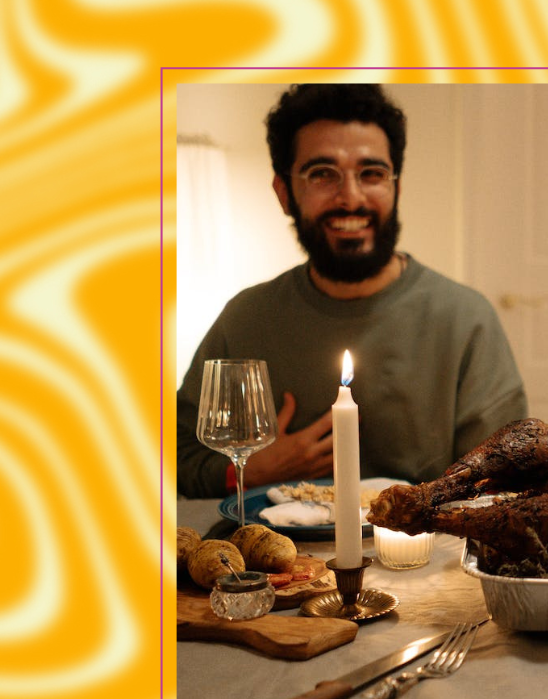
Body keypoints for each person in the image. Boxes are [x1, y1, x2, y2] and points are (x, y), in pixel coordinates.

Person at [176, 84, 527, 499]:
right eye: (322, 174)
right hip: (271, 542)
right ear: (284, 193)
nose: (350, 197)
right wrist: (251, 469)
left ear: (396, 186)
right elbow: (175, 458)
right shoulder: (245, 320)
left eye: (371, 174)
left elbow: (507, 481)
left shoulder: (466, 320)